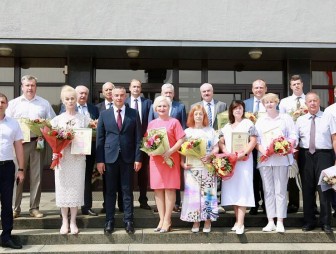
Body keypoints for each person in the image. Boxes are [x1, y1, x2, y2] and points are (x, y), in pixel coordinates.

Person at [6, 75, 56, 218]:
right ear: (22, 87)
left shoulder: (44, 103)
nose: (30, 88)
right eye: (27, 85)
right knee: (18, 175)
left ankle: (34, 207)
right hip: (19, 145)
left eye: (32, 85)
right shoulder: (14, 104)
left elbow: (52, 122)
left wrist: (44, 125)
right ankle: (15, 208)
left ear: (36, 87)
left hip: (37, 143)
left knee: (37, 176)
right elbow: (7, 123)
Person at [96, 86, 142, 235]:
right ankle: (109, 220)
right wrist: (100, 160)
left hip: (128, 158)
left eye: (122, 95)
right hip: (109, 158)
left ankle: (128, 220)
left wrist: (138, 158)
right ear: (111, 96)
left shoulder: (133, 114)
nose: (119, 98)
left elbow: (138, 138)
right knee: (109, 191)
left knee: (127, 190)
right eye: (116, 95)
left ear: (126, 96)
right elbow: (100, 139)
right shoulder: (104, 114)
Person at [50, 85, 91, 235]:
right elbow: (52, 140)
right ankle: (64, 221)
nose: (70, 101)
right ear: (63, 101)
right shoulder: (57, 120)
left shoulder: (84, 118)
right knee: (63, 189)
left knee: (76, 189)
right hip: (63, 159)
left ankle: (73, 220)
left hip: (78, 159)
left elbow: (88, 135)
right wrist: (54, 153)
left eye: (72, 98)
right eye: (67, 99)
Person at [255, 93, 297, 233]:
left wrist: (284, 146)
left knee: (280, 191)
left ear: (276, 102)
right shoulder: (260, 121)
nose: (270, 104)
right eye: (267, 102)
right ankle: (270, 221)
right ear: (264, 104)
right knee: (268, 191)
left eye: (272, 102)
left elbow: (293, 136)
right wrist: (264, 151)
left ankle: (280, 221)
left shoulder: (285, 118)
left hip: (281, 159)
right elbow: (256, 141)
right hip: (265, 160)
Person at [296, 92, 336, 233]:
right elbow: (296, 141)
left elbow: (334, 138)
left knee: (324, 189)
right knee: (307, 189)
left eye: (315, 101)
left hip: (324, 155)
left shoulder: (328, 117)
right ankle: (309, 221)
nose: (312, 103)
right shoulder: (300, 120)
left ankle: (326, 223)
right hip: (305, 155)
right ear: (306, 103)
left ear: (319, 102)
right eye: (310, 101)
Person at [60, 85, 100, 216]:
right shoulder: (66, 108)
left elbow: (97, 127)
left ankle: (86, 206)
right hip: (69, 152)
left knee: (87, 178)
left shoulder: (94, 108)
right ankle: (68, 207)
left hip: (88, 149)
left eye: (85, 94)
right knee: (70, 179)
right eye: (80, 93)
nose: (82, 96)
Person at [147, 96, 185, 233]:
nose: (162, 108)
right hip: (156, 160)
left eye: (165, 106)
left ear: (169, 108)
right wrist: (149, 150)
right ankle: (161, 219)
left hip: (170, 159)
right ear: (155, 109)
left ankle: (168, 219)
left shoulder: (174, 122)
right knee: (157, 189)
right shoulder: (151, 123)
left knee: (169, 188)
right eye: (159, 106)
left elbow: (181, 139)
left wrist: (170, 151)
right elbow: (148, 141)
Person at [219, 100, 257, 234]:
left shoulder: (248, 123)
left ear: (243, 110)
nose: (238, 111)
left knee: (242, 189)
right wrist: (225, 152)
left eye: (240, 108)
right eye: (235, 109)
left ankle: (241, 223)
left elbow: (253, 140)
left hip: (244, 162)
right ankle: (237, 221)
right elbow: (221, 141)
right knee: (233, 191)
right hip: (231, 162)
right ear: (231, 111)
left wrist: (244, 153)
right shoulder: (227, 126)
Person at [180, 105, 219, 233]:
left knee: (208, 194)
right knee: (193, 195)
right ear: (192, 116)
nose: (198, 116)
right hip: (192, 168)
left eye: (200, 114)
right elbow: (182, 150)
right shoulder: (187, 132)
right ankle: (195, 221)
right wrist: (182, 164)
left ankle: (207, 222)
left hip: (207, 167)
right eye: (195, 114)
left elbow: (216, 147)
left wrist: (210, 156)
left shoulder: (210, 131)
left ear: (204, 116)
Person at [0, 93, 25, 249]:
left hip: (7, 167)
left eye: (2, 102)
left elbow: (19, 147)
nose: (0, 104)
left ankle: (6, 236)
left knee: (7, 204)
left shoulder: (13, 124)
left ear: (7, 105)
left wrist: (21, 169)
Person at [279, 75, 305, 214]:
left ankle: (311, 205)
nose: (296, 86)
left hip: (306, 142)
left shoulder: (309, 100)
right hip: (290, 143)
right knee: (292, 174)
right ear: (290, 86)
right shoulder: (284, 102)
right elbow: (282, 121)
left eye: (298, 83)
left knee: (307, 174)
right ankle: (293, 203)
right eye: (294, 84)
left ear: (302, 84)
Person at [125, 79, 152, 210]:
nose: (136, 89)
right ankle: (127, 201)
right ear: (129, 88)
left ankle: (143, 200)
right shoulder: (124, 103)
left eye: (138, 87)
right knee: (128, 173)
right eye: (134, 86)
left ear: (141, 89)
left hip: (145, 142)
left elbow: (151, 121)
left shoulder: (148, 103)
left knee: (143, 173)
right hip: (129, 143)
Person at [95, 82, 120, 214]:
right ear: (103, 92)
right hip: (106, 150)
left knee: (123, 183)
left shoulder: (124, 108)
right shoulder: (97, 108)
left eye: (112, 89)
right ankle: (108, 205)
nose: (109, 92)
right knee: (107, 183)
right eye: (107, 90)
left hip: (121, 150)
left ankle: (122, 205)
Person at [244, 79, 267, 215]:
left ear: (265, 89)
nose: (258, 90)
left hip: (265, 147)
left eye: (261, 87)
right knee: (252, 176)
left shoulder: (271, 103)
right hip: (249, 147)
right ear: (252, 90)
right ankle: (254, 204)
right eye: (256, 88)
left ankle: (266, 203)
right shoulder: (245, 104)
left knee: (265, 176)